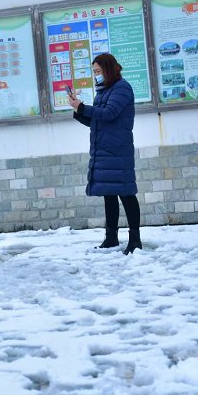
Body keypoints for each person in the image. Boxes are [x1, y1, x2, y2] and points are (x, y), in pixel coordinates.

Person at [67, 53, 142, 255]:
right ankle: (111, 237)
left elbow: (109, 113)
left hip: (118, 149)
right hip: (103, 149)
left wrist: (83, 107)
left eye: (98, 72)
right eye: (94, 72)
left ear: (108, 69)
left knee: (126, 193)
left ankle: (135, 239)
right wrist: (78, 112)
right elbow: (97, 121)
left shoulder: (122, 88)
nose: (96, 76)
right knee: (109, 194)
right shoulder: (103, 91)